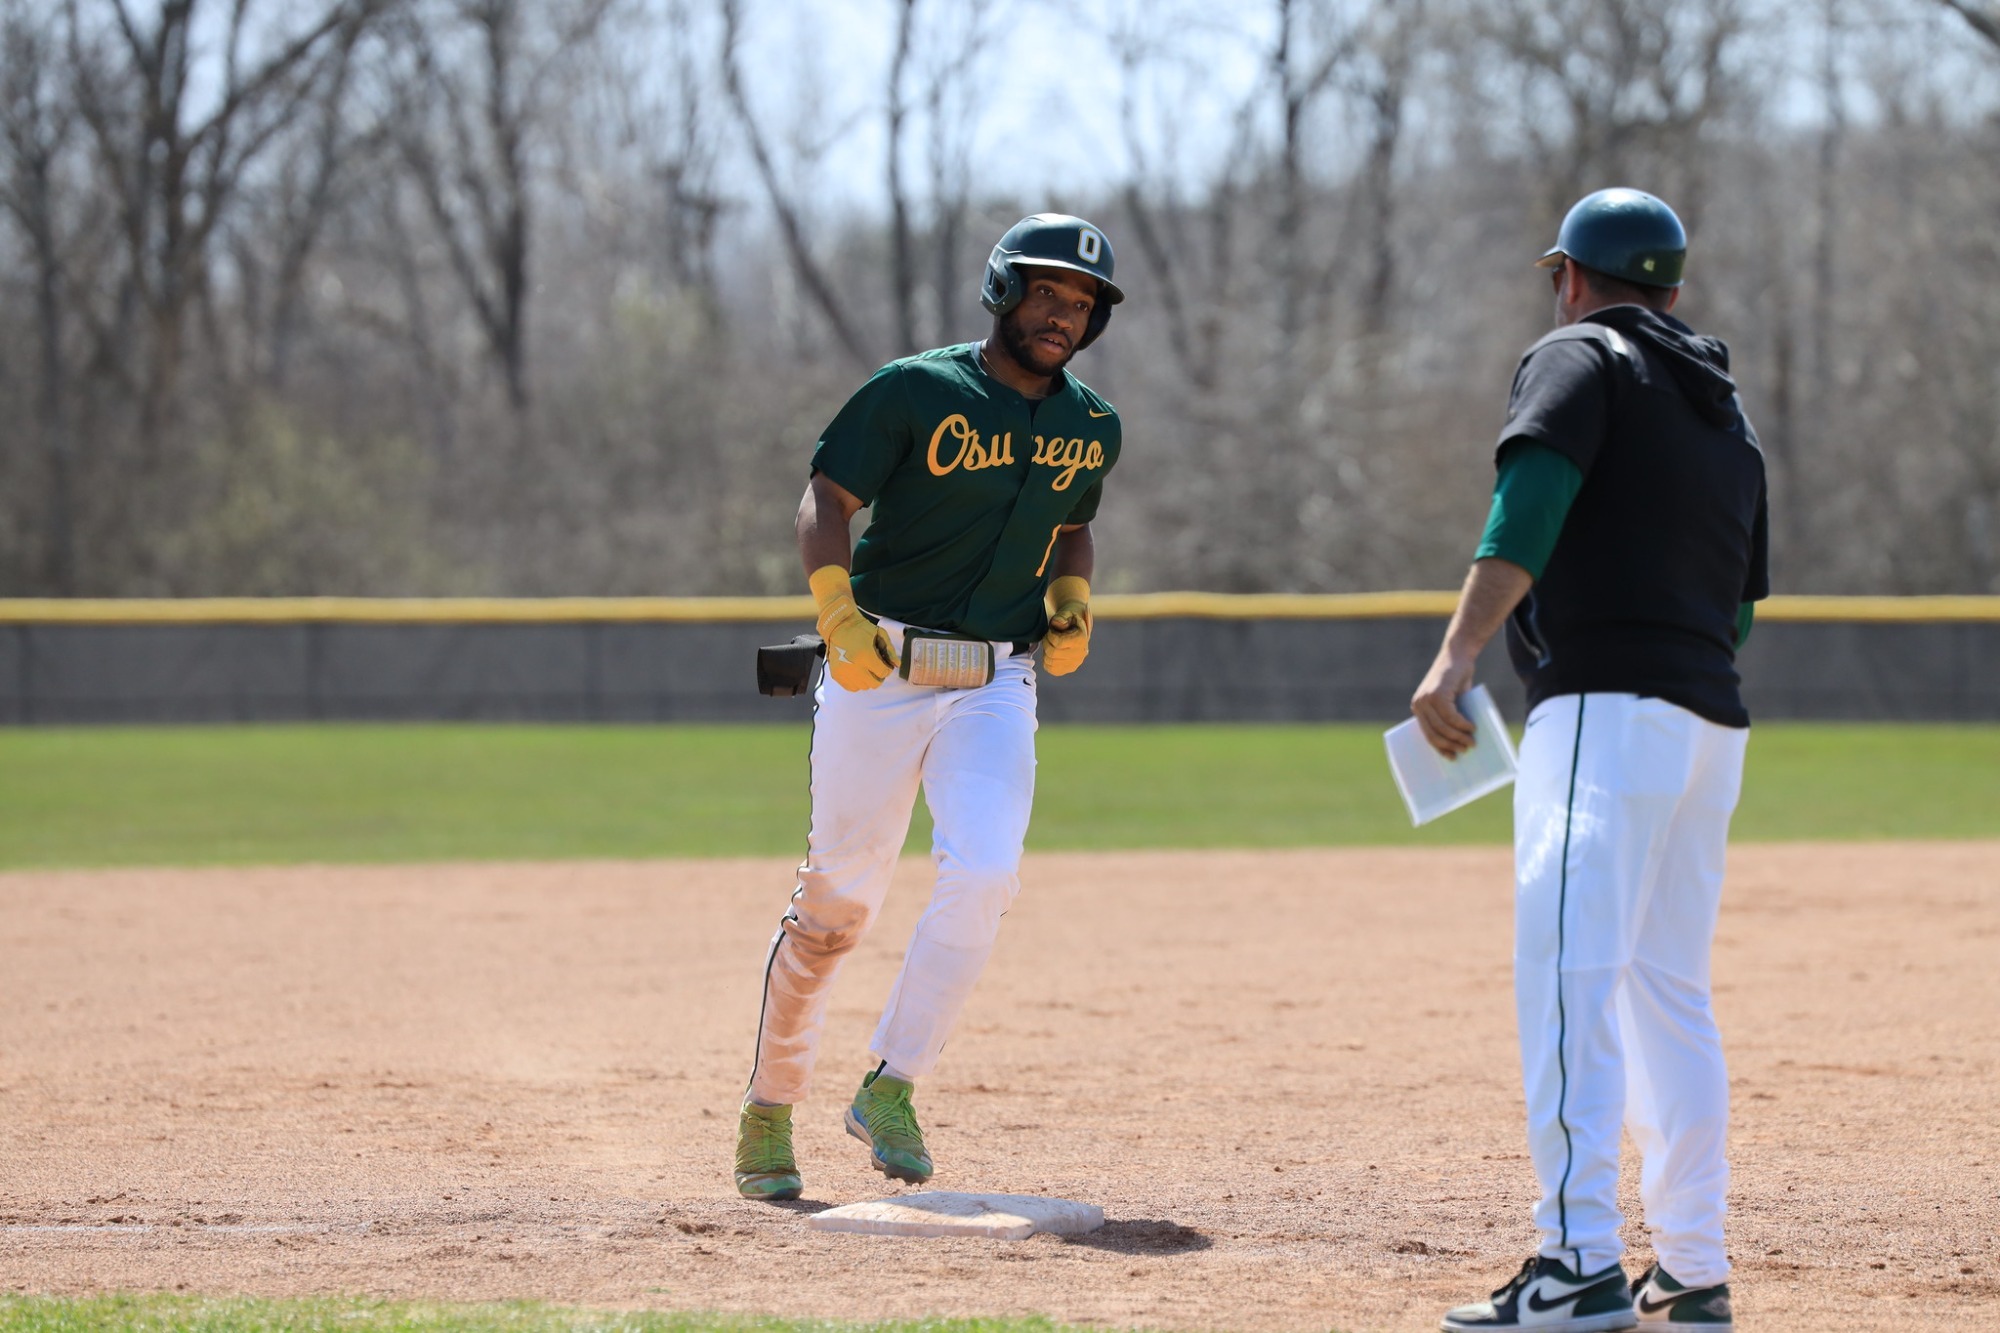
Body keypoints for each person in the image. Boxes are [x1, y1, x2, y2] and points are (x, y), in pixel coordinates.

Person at [1411, 188, 1768, 1333]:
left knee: (1565, 981)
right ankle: (1692, 1262)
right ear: (1669, 287)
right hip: (1708, 722)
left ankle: (1574, 1264)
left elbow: (1529, 501)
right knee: (1667, 993)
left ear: (1568, 275)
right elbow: (1740, 604)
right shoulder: (1721, 407)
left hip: (1601, 717)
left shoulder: (1577, 352)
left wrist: (1457, 652)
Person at [732, 214, 1125, 1201]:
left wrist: (1073, 598)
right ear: (1001, 291)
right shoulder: (915, 390)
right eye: (1045, 293)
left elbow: (1072, 527)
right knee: (836, 906)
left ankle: (891, 1083)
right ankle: (769, 1103)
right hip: (879, 666)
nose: (1060, 315)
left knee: (984, 870)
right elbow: (825, 497)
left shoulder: (1091, 425)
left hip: (995, 678)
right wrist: (836, 613)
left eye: (1078, 304)